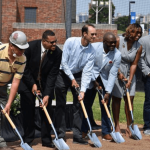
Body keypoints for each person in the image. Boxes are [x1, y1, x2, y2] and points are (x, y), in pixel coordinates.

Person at [18, 30, 62, 148]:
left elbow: (53, 75)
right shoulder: (30, 48)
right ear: (44, 41)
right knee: (28, 110)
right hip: (28, 82)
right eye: (51, 42)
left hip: (45, 83)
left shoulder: (57, 53)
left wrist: (47, 94)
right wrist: (32, 84)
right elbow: (24, 68)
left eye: (55, 42)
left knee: (47, 109)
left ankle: (47, 140)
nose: (54, 44)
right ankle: (28, 139)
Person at [54, 24, 96, 145]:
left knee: (79, 105)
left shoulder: (92, 51)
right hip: (62, 74)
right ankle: (60, 135)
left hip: (78, 75)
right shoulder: (70, 42)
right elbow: (64, 62)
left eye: (95, 34)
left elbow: (87, 72)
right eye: (92, 34)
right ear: (84, 34)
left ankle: (77, 136)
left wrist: (82, 91)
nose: (95, 36)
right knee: (60, 105)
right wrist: (71, 79)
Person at [81, 32, 121, 141]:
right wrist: (93, 81)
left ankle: (106, 132)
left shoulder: (117, 54)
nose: (113, 45)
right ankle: (84, 130)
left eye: (114, 43)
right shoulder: (93, 47)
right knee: (87, 104)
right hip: (90, 77)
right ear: (104, 42)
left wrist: (108, 92)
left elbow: (113, 74)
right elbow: (87, 65)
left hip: (105, 79)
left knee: (105, 105)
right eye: (110, 43)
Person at [111, 23, 142, 137]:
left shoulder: (139, 46)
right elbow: (113, 58)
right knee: (117, 99)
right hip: (117, 70)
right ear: (130, 32)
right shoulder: (119, 41)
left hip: (130, 73)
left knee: (130, 99)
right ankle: (117, 125)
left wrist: (130, 80)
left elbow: (134, 63)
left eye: (140, 33)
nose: (138, 35)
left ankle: (129, 126)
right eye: (136, 32)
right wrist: (119, 73)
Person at [0, 31, 29, 148]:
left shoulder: (22, 59)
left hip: (2, 86)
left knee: (3, 113)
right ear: (11, 45)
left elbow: (16, 82)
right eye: (19, 49)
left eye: (24, 49)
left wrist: (9, 104)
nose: (22, 52)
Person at [138, 34, 150, 135]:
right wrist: (147, 72)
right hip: (149, 76)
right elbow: (140, 58)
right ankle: (148, 126)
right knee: (149, 102)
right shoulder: (144, 40)